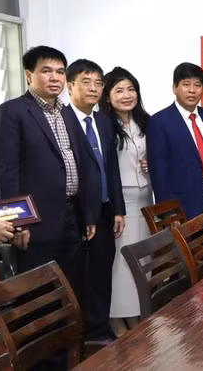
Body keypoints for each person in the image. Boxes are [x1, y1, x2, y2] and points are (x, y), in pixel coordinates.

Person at [0, 46, 100, 368]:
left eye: (59, 71)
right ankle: (40, 364)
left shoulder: (66, 112)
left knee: (69, 295)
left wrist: (89, 213)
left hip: (71, 218)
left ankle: (68, 359)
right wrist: (17, 224)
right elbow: (6, 172)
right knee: (38, 303)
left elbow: (81, 163)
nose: (54, 77)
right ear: (29, 75)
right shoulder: (12, 112)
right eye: (46, 71)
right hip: (37, 225)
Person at [65, 59, 126, 342]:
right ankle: (79, 335)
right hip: (76, 214)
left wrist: (118, 209)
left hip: (104, 210)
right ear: (70, 86)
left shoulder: (103, 121)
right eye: (85, 82)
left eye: (98, 83)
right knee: (78, 277)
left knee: (102, 273)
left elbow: (111, 168)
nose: (93, 88)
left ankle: (99, 331)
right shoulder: (62, 120)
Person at [99, 66, 152, 336]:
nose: (126, 95)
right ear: (107, 96)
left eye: (131, 89)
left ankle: (137, 315)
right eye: (119, 90)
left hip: (146, 201)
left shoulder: (145, 121)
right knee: (121, 266)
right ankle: (116, 319)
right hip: (122, 205)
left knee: (143, 263)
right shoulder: (103, 125)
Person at [147, 63, 203, 230]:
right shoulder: (159, 122)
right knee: (187, 256)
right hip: (182, 207)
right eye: (186, 84)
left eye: (198, 85)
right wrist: (168, 212)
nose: (192, 90)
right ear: (175, 87)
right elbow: (159, 171)